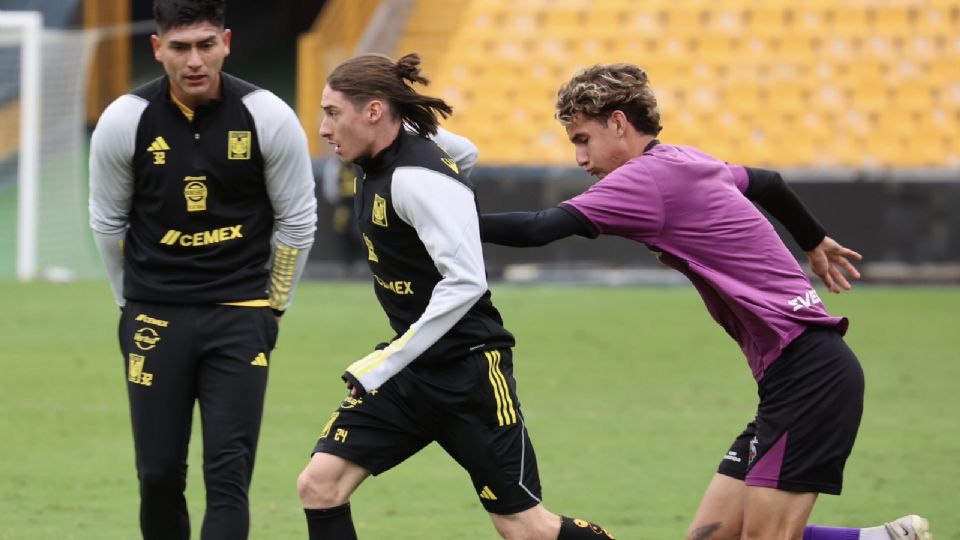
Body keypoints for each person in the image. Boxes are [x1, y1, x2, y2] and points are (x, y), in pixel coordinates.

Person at [480, 63, 932, 540]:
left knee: (765, 537)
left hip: (810, 375)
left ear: (617, 123)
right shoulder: (686, 159)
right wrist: (813, 239)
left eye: (582, 139)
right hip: (791, 377)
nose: (578, 157)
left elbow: (537, 228)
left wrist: (432, 216)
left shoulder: (644, 180)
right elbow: (769, 182)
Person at [295, 52, 614, 540]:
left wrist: (382, 364)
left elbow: (466, 282)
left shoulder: (416, 179)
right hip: (412, 370)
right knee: (320, 485)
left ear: (374, 111)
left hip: (469, 376)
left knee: (526, 528)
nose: (322, 128)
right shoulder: (383, 154)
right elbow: (464, 150)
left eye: (333, 113)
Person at [88, 1, 316, 538]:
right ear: (157, 48)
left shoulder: (268, 116)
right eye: (181, 47)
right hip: (154, 316)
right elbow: (107, 224)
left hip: (240, 316)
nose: (195, 60)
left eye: (206, 45)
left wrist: (274, 305)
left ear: (227, 43)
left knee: (228, 476)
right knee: (158, 475)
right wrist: (130, 302)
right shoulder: (125, 120)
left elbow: (298, 222)